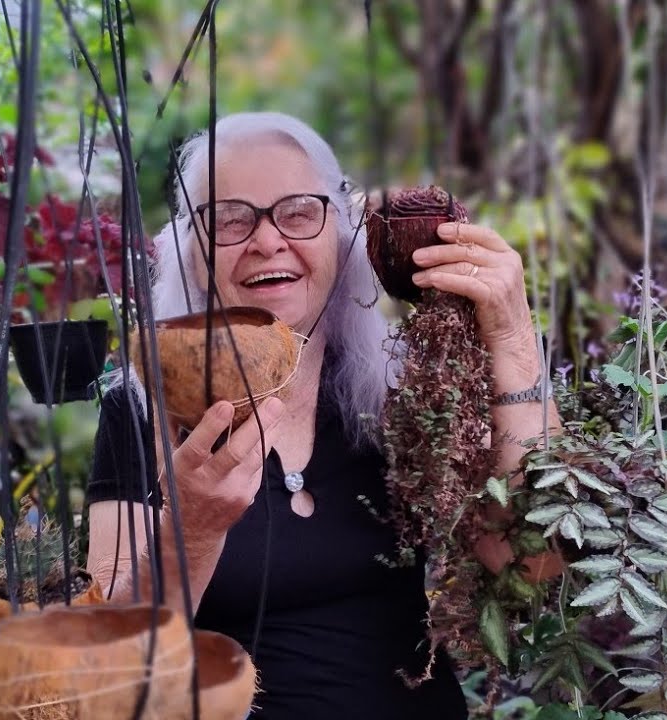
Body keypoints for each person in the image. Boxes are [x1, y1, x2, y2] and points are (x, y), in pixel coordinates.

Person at [85, 111, 557, 719]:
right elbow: (119, 662)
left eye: (299, 211)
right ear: (189, 251)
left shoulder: (395, 389)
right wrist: (194, 531)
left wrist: (513, 339)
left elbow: (530, 562)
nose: (266, 240)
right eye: (228, 219)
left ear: (341, 231)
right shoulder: (142, 412)